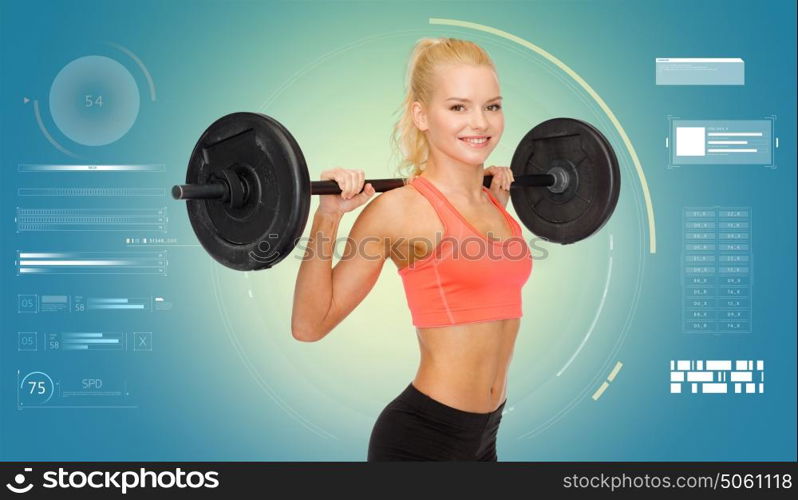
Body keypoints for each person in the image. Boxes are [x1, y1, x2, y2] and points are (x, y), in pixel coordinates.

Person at [291, 37, 533, 461]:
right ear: (421, 115)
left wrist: (500, 198)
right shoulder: (399, 210)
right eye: (458, 107)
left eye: (492, 106)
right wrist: (329, 215)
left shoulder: (495, 200)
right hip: (423, 439)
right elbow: (310, 325)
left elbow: (480, 279)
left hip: (486, 436)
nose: (480, 122)